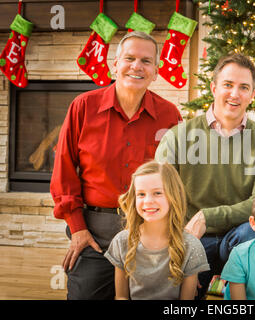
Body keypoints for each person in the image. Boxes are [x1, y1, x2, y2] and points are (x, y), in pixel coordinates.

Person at [50, 31, 182, 300]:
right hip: (94, 231)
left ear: (155, 71)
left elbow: (176, 178)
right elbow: (63, 171)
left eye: (146, 61)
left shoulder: (170, 115)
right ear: (115, 64)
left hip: (149, 227)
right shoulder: (83, 107)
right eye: (129, 58)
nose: (137, 66)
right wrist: (78, 229)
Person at [155, 53, 255, 297]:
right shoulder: (177, 137)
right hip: (190, 238)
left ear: (253, 95)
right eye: (228, 85)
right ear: (213, 88)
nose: (235, 94)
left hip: (239, 239)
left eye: (244, 87)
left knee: (253, 232)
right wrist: (177, 247)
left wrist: (207, 216)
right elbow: (158, 197)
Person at [104, 160, 210, 299]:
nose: (148, 200)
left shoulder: (191, 246)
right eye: (141, 194)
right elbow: (121, 297)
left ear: (173, 196)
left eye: (157, 193)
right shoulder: (122, 241)